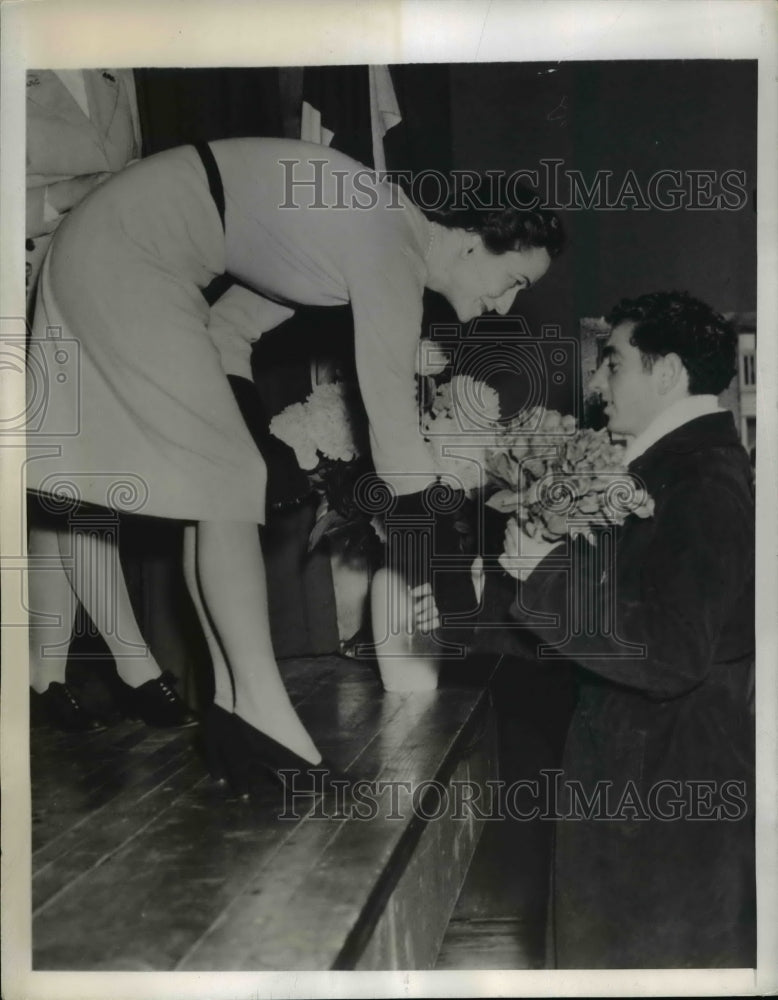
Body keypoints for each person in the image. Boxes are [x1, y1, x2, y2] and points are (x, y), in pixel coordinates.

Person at [27, 137, 563, 793]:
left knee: (222, 483)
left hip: (111, 246)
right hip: (123, 254)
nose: (507, 306)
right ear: (476, 240)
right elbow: (393, 426)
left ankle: (235, 711)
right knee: (228, 483)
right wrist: (452, 591)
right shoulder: (389, 245)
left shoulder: (364, 232)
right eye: (514, 282)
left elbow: (229, 331)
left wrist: (251, 431)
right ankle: (263, 716)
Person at [415, 290, 754, 967]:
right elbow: (614, 621)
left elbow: (670, 654)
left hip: (664, 794)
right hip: (640, 783)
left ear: (667, 372)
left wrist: (541, 575)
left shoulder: (703, 479)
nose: (597, 383)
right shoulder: (668, 467)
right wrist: (474, 619)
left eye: (614, 363)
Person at [26, 68, 198, 732]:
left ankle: (43, 679)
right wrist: (77, 193)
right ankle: (136, 666)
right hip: (24, 296)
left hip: (99, 298)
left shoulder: (113, 63)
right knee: (76, 488)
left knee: (60, 495)